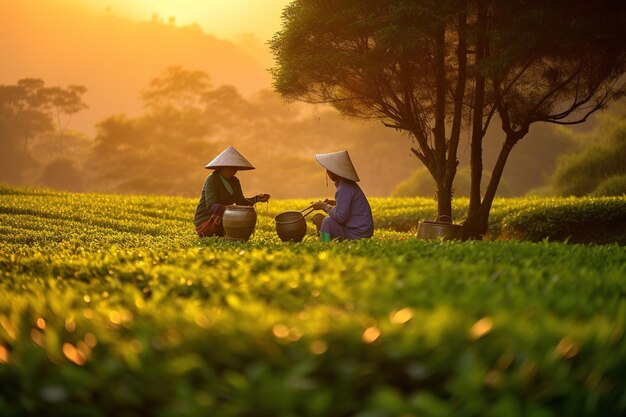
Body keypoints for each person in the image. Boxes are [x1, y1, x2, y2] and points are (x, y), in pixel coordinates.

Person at [194, 146, 270, 237]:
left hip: (225, 217)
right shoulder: (212, 179)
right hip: (207, 219)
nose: (234, 171)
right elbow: (211, 206)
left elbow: (241, 202)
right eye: (231, 167)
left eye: (235, 168)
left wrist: (257, 198)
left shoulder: (235, 181)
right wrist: (231, 211)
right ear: (223, 167)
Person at [310, 150, 374, 242]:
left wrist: (323, 206)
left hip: (358, 233)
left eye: (328, 170)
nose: (327, 172)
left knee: (327, 221)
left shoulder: (344, 188)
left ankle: (324, 245)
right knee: (328, 220)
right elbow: (348, 205)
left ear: (334, 171)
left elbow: (341, 217)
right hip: (362, 230)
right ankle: (324, 243)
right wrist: (335, 203)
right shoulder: (346, 185)